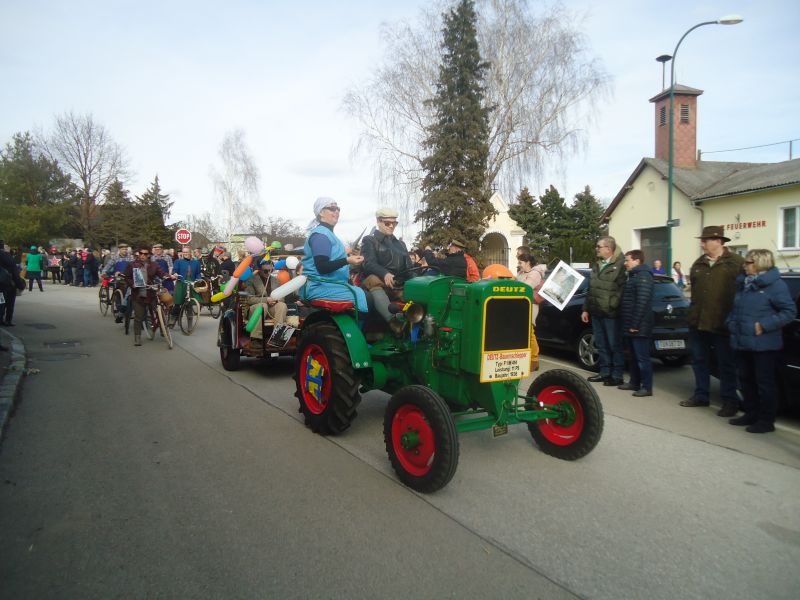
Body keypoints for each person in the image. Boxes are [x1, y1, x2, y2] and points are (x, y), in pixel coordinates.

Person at [725, 250, 796, 433]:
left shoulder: (775, 285)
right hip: (742, 340)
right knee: (746, 379)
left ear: (759, 264)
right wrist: (730, 323)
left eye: (748, 262)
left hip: (764, 344)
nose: (744, 265)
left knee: (764, 383)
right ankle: (751, 413)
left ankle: (766, 420)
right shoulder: (744, 283)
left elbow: (789, 312)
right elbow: (736, 308)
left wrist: (763, 325)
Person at [680, 225, 745, 416]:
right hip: (698, 321)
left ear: (718, 241)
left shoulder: (736, 263)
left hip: (722, 323)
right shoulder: (699, 263)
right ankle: (701, 395)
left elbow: (743, 292)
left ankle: (730, 401)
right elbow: (695, 292)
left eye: (705, 240)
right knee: (699, 361)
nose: (702, 244)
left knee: (726, 365)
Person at [300, 197, 367, 312]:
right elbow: (322, 267)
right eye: (332, 208)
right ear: (321, 212)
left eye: (338, 209)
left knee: (365, 294)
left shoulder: (327, 234)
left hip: (331, 285)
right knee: (367, 298)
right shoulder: (321, 235)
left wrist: (351, 260)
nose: (337, 211)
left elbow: (335, 263)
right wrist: (347, 260)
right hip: (319, 286)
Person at [581, 236, 627, 386]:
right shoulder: (597, 264)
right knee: (601, 344)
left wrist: (612, 304)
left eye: (599, 246)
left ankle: (617, 375)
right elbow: (591, 289)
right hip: (596, 311)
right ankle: (605, 372)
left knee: (614, 344)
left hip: (610, 313)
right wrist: (585, 309)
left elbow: (622, 289)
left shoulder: (620, 265)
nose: (596, 249)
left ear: (608, 249)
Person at [360, 207, 415, 322]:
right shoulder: (369, 240)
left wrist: (420, 281)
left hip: (399, 286)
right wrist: (384, 273)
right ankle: (393, 321)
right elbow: (368, 263)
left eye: (394, 223)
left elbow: (409, 269)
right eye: (387, 223)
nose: (391, 226)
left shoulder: (401, 244)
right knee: (372, 279)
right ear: (378, 221)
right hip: (379, 285)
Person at [618, 250, 655, 397]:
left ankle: (647, 387)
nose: (625, 263)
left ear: (637, 261)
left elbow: (642, 302)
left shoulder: (643, 276)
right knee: (633, 357)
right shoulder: (634, 276)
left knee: (642, 358)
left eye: (628, 260)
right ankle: (634, 382)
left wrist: (635, 324)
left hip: (639, 325)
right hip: (631, 323)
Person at [124, 246, 172, 346]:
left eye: (145, 254)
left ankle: (163, 330)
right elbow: (127, 277)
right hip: (138, 294)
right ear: (138, 254)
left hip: (151, 293)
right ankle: (137, 336)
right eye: (141, 253)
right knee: (139, 316)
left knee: (159, 311)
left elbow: (161, 273)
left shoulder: (154, 265)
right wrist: (132, 284)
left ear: (149, 255)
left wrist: (169, 276)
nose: (142, 255)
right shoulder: (132, 265)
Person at [243, 259, 288, 348]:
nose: (268, 273)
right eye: (265, 271)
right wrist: (266, 300)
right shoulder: (251, 280)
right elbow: (250, 299)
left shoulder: (276, 280)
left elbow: (282, 296)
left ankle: (277, 337)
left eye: (270, 270)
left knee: (282, 305)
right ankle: (256, 339)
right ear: (260, 270)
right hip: (255, 308)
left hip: (271, 307)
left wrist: (277, 300)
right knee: (262, 306)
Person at [516, 253, 547, 372]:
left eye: (520, 262)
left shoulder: (535, 274)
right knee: (522, 333)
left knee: (529, 333)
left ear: (528, 262)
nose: (519, 265)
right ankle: (525, 358)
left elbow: (525, 288)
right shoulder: (521, 273)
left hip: (530, 306)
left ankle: (534, 360)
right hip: (520, 306)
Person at [171, 246, 202, 321]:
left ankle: (190, 317)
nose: (185, 253)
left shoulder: (196, 262)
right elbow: (174, 270)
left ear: (190, 252)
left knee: (192, 301)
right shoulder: (178, 261)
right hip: (181, 282)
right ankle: (173, 318)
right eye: (184, 252)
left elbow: (198, 273)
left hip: (192, 282)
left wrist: (199, 279)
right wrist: (175, 274)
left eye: (186, 252)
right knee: (178, 302)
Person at [1, 239, 24, 328]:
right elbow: (15, 272)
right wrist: (20, 285)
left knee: (1, 302)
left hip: (2, 285)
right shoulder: (7, 257)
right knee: (9, 303)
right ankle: (8, 320)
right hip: (8, 284)